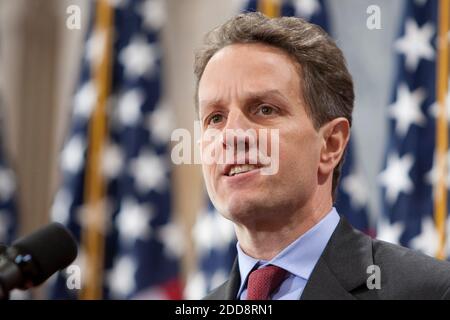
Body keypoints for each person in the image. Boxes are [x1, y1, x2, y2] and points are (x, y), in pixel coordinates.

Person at [194, 12, 450, 300]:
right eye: (215, 118)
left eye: (264, 109)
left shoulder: (430, 291)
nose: (232, 135)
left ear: (330, 144)